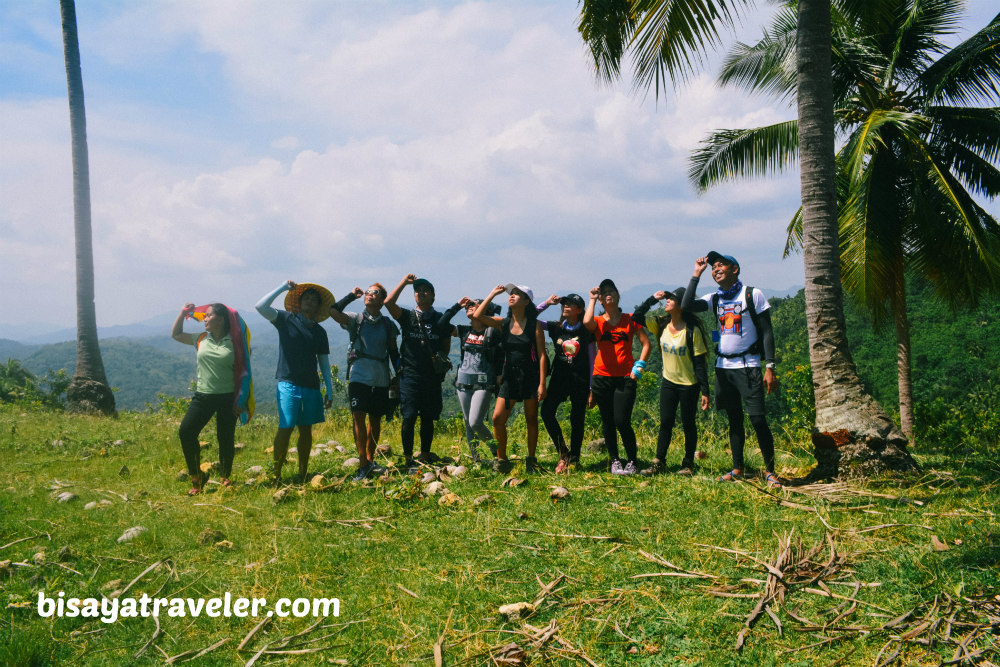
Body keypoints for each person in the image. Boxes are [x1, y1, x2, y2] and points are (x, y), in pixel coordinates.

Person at [680, 252, 782, 488]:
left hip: (749, 366)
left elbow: (767, 332)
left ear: (735, 269)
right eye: (713, 266)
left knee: (757, 419)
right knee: (734, 419)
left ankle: (770, 471)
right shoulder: (715, 298)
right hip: (724, 367)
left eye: (721, 265)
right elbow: (686, 306)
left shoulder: (752, 294)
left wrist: (770, 367)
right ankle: (738, 468)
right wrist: (697, 273)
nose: (715, 269)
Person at [255, 280, 335, 484]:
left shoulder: (320, 332)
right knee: (286, 425)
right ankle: (276, 473)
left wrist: (329, 389)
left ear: (318, 306)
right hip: (287, 382)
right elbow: (260, 307)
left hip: (311, 385)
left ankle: (303, 472)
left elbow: (324, 363)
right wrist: (282, 287)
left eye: (313, 300)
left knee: (306, 430)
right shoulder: (285, 319)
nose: (309, 302)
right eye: (306, 298)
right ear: (299, 303)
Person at [171, 302, 254, 494]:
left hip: (228, 397)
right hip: (203, 396)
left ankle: (225, 477)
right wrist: (182, 313)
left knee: (225, 437)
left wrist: (241, 400)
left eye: (208, 316)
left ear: (222, 320)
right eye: (205, 316)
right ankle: (196, 476)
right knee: (186, 432)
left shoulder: (236, 342)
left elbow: (244, 372)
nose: (204, 319)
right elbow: (176, 334)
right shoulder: (200, 339)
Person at [384, 274, 462, 471]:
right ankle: (408, 457)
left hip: (431, 377)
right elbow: (388, 302)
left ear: (433, 296)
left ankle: (425, 454)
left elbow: (445, 345)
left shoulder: (439, 319)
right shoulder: (408, 316)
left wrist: (439, 364)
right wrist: (403, 282)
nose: (421, 293)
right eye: (418, 290)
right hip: (409, 374)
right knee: (408, 416)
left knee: (428, 417)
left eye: (425, 290)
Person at [631, 287, 710, 475]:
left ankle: (688, 463)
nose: (667, 301)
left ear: (681, 305)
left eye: (671, 299)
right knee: (666, 422)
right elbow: (636, 316)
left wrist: (705, 391)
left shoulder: (692, 331)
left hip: (689, 385)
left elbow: (700, 363)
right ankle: (659, 461)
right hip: (668, 382)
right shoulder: (661, 324)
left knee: (688, 423)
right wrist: (652, 298)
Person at [473, 284, 548, 473]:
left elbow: (542, 356)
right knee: (497, 419)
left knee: (531, 419)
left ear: (526, 301)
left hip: (529, 377)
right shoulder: (503, 322)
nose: (512, 296)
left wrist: (542, 383)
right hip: (509, 377)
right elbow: (478, 316)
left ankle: (531, 460)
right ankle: (501, 461)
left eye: (517, 294)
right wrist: (492, 294)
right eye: (511, 294)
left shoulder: (534, 325)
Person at [329, 283, 400, 481]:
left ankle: (370, 459)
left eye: (374, 293)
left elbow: (393, 351)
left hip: (381, 377)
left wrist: (399, 374)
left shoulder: (388, 324)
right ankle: (362, 463)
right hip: (358, 375)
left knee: (375, 418)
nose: (368, 295)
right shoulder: (355, 319)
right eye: (367, 292)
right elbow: (333, 312)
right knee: (358, 417)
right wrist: (351, 296)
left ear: (382, 299)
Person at [583, 279, 651, 475]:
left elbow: (646, 344)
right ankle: (614, 460)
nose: (608, 294)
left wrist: (639, 366)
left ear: (618, 296)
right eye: (604, 293)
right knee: (608, 421)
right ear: (602, 300)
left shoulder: (629, 319)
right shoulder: (598, 322)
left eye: (611, 291)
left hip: (625, 378)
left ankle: (632, 460)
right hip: (601, 377)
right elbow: (586, 323)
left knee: (622, 420)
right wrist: (592, 299)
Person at [538, 294, 595, 473]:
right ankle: (564, 452)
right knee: (546, 411)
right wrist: (546, 303)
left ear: (579, 309)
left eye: (570, 304)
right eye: (564, 304)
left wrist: (592, 388)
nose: (565, 307)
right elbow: (530, 318)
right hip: (559, 379)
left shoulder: (586, 330)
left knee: (577, 419)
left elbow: (593, 358)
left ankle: (575, 458)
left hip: (580, 380)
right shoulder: (556, 327)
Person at [451, 297, 502, 465]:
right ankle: (476, 460)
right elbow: (441, 325)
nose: (470, 306)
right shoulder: (464, 330)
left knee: (475, 422)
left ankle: (497, 452)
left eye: (474, 305)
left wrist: (500, 374)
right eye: (468, 305)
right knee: (468, 423)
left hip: (484, 383)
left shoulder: (493, 331)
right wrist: (457, 306)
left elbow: (503, 354)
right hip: (463, 383)